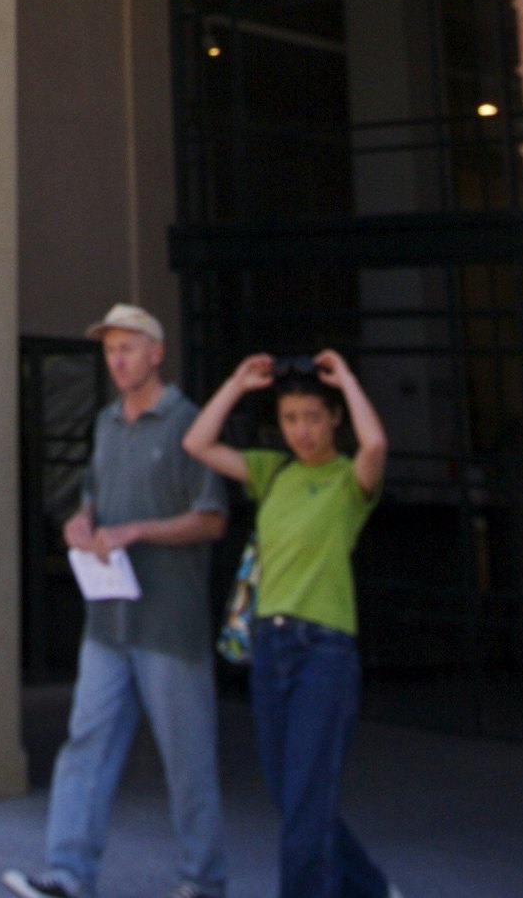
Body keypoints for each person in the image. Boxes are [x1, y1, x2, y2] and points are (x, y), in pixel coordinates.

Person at [2, 305, 229, 898]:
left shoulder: (189, 423)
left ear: (157, 353)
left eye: (129, 348)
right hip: (107, 622)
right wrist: (81, 523)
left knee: (187, 761)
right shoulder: (104, 423)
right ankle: (68, 874)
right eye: (110, 350)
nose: (118, 359)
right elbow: (94, 498)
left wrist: (138, 532)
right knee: (87, 744)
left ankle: (203, 880)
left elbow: (211, 519)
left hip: (169, 625)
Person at [185, 350, 391, 898]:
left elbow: (376, 446)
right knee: (293, 796)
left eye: (313, 418)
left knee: (304, 802)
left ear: (334, 420)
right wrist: (235, 383)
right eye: (291, 419)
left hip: (323, 651)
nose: (302, 430)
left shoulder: (349, 482)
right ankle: (371, 889)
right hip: (271, 648)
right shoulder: (272, 472)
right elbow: (197, 444)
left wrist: (346, 378)